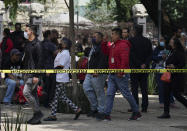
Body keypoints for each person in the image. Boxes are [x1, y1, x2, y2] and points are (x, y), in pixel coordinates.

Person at [102, 28, 141, 121]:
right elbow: (106, 52)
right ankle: (107, 114)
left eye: (113, 34)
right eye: (111, 34)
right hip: (113, 74)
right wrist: (104, 42)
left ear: (118, 35)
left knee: (126, 93)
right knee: (110, 94)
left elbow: (125, 60)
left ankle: (136, 112)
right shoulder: (113, 45)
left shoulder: (123, 45)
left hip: (120, 74)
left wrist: (121, 72)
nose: (112, 36)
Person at [43, 38, 81, 121]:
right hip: (60, 77)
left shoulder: (65, 54)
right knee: (62, 97)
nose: (60, 43)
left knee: (54, 97)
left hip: (60, 78)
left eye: (62, 43)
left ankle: (53, 115)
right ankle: (77, 109)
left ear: (65, 45)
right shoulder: (62, 52)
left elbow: (61, 66)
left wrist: (51, 71)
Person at [158, 38, 187, 119]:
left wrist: (174, 66)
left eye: (171, 42)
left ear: (175, 43)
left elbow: (182, 64)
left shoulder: (180, 52)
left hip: (176, 77)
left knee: (177, 95)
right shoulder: (171, 51)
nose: (169, 43)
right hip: (168, 76)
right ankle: (166, 112)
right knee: (166, 94)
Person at [83, 32, 108, 120]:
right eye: (92, 36)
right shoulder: (93, 47)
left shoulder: (103, 47)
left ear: (101, 38)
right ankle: (94, 108)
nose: (93, 38)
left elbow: (104, 59)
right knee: (86, 88)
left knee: (99, 92)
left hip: (98, 73)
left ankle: (102, 111)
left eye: (95, 37)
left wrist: (98, 70)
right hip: (89, 73)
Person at [22, 25, 43, 124]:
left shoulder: (38, 44)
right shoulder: (28, 43)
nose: (25, 32)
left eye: (26, 31)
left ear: (31, 32)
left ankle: (38, 113)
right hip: (26, 72)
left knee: (26, 92)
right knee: (33, 94)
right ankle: (36, 117)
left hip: (33, 74)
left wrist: (36, 75)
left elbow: (39, 61)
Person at [129, 25, 153, 112]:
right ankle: (145, 107)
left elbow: (131, 54)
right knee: (144, 88)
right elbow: (151, 54)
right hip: (145, 68)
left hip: (134, 67)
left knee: (134, 88)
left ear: (135, 31)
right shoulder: (147, 41)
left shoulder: (131, 40)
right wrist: (145, 64)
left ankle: (135, 106)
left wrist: (139, 64)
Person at [152, 37, 175, 108]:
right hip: (159, 70)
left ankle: (171, 102)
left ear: (165, 41)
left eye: (162, 40)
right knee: (161, 87)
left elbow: (173, 57)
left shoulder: (169, 48)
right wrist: (161, 57)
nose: (161, 41)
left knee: (170, 87)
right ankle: (161, 102)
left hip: (168, 70)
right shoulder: (157, 49)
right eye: (160, 40)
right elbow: (153, 57)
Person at [41, 30, 57, 108]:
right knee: (51, 87)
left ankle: (44, 102)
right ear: (49, 35)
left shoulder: (40, 44)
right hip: (50, 67)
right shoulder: (50, 44)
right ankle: (48, 103)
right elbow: (56, 54)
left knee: (45, 86)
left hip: (42, 67)